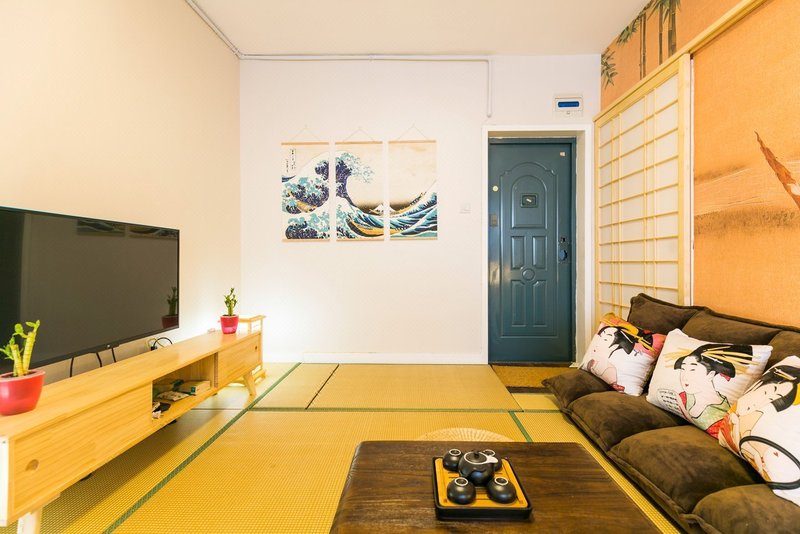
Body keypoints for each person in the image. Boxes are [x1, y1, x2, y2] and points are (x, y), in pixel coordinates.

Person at [671, 343, 753, 437]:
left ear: (710, 375)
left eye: (692, 370)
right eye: (683, 369)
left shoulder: (720, 416)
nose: (684, 377)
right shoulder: (683, 397)